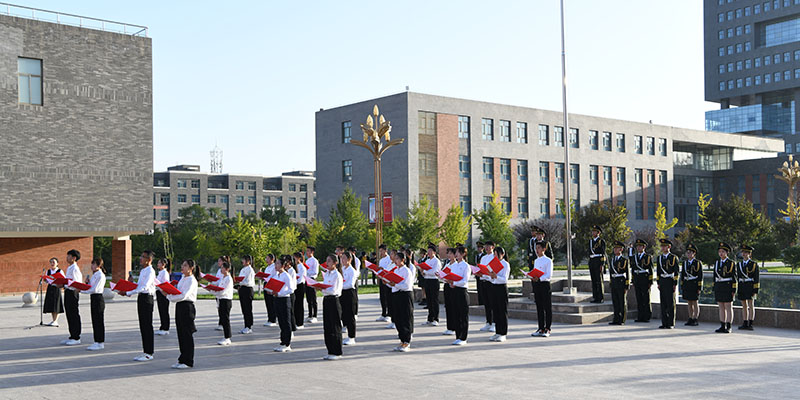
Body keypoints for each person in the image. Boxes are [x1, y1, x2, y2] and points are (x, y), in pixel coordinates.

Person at [122, 250, 156, 361]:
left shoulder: (150, 271)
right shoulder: (143, 271)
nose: (140, 258)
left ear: (149, 260)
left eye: (143, 257)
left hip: (147, 299)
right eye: (141, 256)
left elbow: (144, 287)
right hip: (141, 298)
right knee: (143, 325)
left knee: (147, 325)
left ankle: (149, 353)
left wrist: (128, 292)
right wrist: (131, 284)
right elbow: (139, 286)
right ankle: (145, 351)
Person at [166, 259, 199, 369]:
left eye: (185, 265)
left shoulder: (192, 280)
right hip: (179, 306)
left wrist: (169, 297)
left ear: (191, 268)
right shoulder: (183, 278)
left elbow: (184, 295)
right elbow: (178, 292)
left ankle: (188, 361)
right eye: (182, 265)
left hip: (187, 307)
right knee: (181, 333)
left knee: (187, 334)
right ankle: (182, 359)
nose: (182, 267)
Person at [316, 255, 343, 360]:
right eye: (326, 261)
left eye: (329, 261)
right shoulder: (326, 274)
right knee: (327, 326)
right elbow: (326, 288)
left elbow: (334, 290)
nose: (327, 263)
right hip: (326, 300)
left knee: (335, 326)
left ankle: (337, 351)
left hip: (334, 300)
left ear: (335, 263)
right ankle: (330, 350)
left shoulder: (337, 275)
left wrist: (322, 289)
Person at [387, 251, 414, 352]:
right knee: (397, 318)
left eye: (397, 259)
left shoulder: (406, 271)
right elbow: (392, 284)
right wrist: (387, 281)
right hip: (396, 295)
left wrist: (395, 284)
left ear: (403, 260)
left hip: (405, 295)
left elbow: (406, 285)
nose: (395, 261)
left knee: (405, 318)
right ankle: (402, 340)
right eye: (395, 259)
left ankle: (407, 341)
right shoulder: (396, 270)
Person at [269, 255, 297, 352]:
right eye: (275, 263)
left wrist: (280, 293)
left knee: (286, 321)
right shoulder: (276, 275)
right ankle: (282, 342)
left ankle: (287, 343)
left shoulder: (286, 275)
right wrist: (270, 290)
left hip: (284, 300)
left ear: (283, 265)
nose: (275, 265)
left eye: (277, 263)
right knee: (281, 321)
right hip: (277, 299)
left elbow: (291, 289)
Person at [446, 246, 471, 345]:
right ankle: (458, 336)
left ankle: (463, 338)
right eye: (456, 252)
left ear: (463, 254)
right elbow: (451, 277)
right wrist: (449, 281)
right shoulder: (454, 265)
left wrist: (455, 283)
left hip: (462, 291)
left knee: (463, 315)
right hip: (454, 291)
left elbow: (465, 280)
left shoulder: (466, 266)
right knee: (456, 314)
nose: (456, 254)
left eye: (458, 252)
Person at [82, 258, 107, 351]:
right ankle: (96, 341)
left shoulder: (100, 275)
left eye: (94, 264)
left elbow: (95, 289)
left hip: (98, 298)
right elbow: (91, 287)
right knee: (95, 320)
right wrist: (87, 283)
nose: (92, 266)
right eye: (92, 264)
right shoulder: (94, 275)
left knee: (99, 320)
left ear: (99, 266)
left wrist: (82, 291)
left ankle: (100, 342)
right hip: (93, 298)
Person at [530, 242, 553, 337]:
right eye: (536, 248)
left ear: (544, 249)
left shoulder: (548, 260)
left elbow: (549, 275)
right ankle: (541, 328)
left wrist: (540, 278)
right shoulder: (536, 261)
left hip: (545, 284)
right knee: (539, 307)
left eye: (539, 248)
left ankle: (547, 328)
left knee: (547, 307)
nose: (537, 250)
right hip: (537, 285)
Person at [656, 238, 679, 329]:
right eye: (662, 246)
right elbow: (658, 271)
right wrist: (658, 282)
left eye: (664, 246)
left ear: (669, 247)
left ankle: (671, 323)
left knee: (670, 303)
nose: (663, 248)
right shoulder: (659, 258)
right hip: (662, 281)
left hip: (670, 280)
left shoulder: (673, 258)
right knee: (663, 303)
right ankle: (664, 322)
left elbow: (676, 272)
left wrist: (675, 283)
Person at [61, 249, 83, 346]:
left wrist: (66, 284)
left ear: (74, 258)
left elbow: (77, 283)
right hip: (67, 291)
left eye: (69, 256)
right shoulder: (69, 267)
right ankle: (72, 335)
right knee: (69, 313)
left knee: (73, 313)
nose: (67, 258)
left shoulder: (75, 269)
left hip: (73, 292)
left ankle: (76, 337)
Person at [488, 246, 510, 342]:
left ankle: (503, 333)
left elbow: (504, 279)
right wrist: (491, 276)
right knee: (496, 311)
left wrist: (496, 276)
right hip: (494, 287)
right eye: (494, 255)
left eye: (497, 254)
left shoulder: (505, 264)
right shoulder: (493, 264)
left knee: (502, 311)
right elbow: (491, 278)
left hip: (501, 288)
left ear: (502, 254)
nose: (495, 256)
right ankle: (497, 332)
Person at [714, 242, 736, 333]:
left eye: (723, 251)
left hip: (727, 286)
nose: (721, 253)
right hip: (719, 286)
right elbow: (714, 276)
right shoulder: (717, 263)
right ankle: (722, 325)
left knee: (728, 306)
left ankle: (729, 325)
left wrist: (734, 289)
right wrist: (714, 287)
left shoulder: (731, 263)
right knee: (721, 306)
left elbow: (734, 277)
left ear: (727, 252)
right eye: (719, 251)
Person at [737, 244, 759, 331]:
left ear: (750, 254)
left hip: (750, 285)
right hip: (742, 285)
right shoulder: (739, 264)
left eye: (746, 252)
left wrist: (755, 289)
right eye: (743, 252)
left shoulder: (753, 264)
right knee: (744, 305)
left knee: (751, 305)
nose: (744, 254)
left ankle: (750, 322)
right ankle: (745, 322)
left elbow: (756, 278)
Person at [631, 239, 654, 322]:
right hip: (637, 279)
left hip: (644, 279)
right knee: (639, 298)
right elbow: (633, 269)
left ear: (644, 247)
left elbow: (651, 269)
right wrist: (633, 280)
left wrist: (650, 281)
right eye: (637, 246)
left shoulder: (648, 257)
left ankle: (647, 316)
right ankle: (640, 316)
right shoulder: (634, 257)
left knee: (645, 298)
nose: (638, 248)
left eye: (640, 246)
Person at [680, 244, 703, 326]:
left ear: (694, 253)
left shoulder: (697, 263)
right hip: (687, 284)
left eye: (690, 252)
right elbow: (682, 275)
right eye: (687, 252)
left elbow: (700, 276)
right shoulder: (685, 263)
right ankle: (690, 317)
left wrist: (699, 287)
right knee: (689, 302)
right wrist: (682, 285)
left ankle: (695, 318)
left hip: (694, 284)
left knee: (695, 302)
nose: (688, 254)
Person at [608, 241, 629, 325]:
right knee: (615, 301)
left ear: (621, 249)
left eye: (617, 248)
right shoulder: (612, 260)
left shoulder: (624, 260)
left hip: (621, 281)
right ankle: (616, 318)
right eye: (614, 248)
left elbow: (627, 274)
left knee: (621, 301)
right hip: (614, 281)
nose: (615, 250)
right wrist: (610, 282)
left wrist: (626, 285)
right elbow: (610, 273)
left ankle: (622, 319)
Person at [420, 243, 442, 326]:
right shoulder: (427, 261)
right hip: (427, 281)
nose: (428, 252)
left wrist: (425, 272)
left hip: (434, 281)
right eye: (428, 250)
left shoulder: (437, 261)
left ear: (434, 252)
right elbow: (425, 272)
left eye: (430, 251)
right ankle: (430, 318)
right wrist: (423, 272)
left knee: (434, 300)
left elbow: (435, 272)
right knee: (429, 300)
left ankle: (436, 318)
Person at [340, 252, 358, 345]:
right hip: (342, 293)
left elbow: (350, 284)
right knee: (344, 314)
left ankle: (352, 337)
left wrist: (340, 286)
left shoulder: (352, 271)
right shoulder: (342, 269)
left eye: (344, 258)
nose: (342, 260)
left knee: (350, 316)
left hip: (349, 293)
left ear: (349, 259)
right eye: (341, 258)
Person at [478, 241, 496, 333]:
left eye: (489, 246)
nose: (487, 248)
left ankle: (494, 323)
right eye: (486, 246)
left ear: (493, 247)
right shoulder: (483, 258)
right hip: (483, 281)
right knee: (486, 303)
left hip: (491, 282)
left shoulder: (494, 257)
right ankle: (488, 322)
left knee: (492, 303)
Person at [215, 262, 234, 346]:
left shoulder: (229, 279)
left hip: (226, 300)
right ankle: (226, 336)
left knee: (225, 319)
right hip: (221, 299)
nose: (221, 269)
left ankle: (227, 337)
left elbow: (224, 291)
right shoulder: (223, 278)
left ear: (227, 269)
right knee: (222, 318)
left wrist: (215, 292)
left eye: (222, 268)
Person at [43, 257, 64, 327]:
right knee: (52, 305)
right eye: (51, 262)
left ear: (57, 263)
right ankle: (53, 320)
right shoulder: (48, 271)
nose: (52, 264)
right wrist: (45, 280)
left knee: (56, 305)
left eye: (53, 262)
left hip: (57, 288)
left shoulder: (60, 271)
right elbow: (47, 280)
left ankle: (56, 321)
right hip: (50, 288)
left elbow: (64, 279)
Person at [441, 247, 457, 336]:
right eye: (448, 253)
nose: (448, 255)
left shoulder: (456, 265)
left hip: (453, 286)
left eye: (450, 253)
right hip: (446, 285)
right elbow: (443, 274)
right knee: (448, 306)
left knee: (453, 306)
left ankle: (454, 327)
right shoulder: (447, 264)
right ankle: (449, 327)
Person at [588, 225, 607, 304]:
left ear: (598, 233)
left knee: (599, 280)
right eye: (593, 231)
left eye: (595, 231)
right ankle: (595, 297)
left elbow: (603, 253)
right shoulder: (590, 241)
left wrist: (602, 264)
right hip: (592, 261)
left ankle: (600, 297)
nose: (593, 233)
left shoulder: (601, 241)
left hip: (598, 260)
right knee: (594, 280)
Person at [238, 255, 256, 334]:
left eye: (244, 260)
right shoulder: (243, 269)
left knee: (248, 308)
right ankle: (246, 325)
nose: (242, 261)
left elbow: (248, 281)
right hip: (242, 289)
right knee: (244, 309)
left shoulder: (250, 270)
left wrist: (241, 282)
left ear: (248, 261)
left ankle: (249, 326)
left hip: (247, 289)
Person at [154, 258, 171, 336]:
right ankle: (162, 327)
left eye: (159, 263)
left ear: (163, 264)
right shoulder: (160, 273)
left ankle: (166, 328)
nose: (158, 264)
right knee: (161, 311)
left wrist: (158, 285)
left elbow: (165, 284)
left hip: (163, 293)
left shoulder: (164, 273)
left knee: (164, 311)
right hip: (159, 292)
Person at [376, 244, 392, 323]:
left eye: (382, 251)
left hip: (387, 281)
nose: (381, 253)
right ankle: (383, 313)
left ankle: (389, 314)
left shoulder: (389, 259)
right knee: (382, 297)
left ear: (386, 250)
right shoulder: (381, 260)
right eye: (380, 251)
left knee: (387, 297)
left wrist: (383, 269)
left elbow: (389, 270)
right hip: (382, 279)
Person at [214, 255, 230, 332]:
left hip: (224, 297)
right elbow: (217, 281)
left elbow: (224, 289)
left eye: (220, 261)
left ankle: (227, 335)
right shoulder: (220, 273)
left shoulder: (227, 277)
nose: (218, 262)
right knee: (220, 310)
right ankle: (221, 323)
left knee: (225, 315)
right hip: (219, 294)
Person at [304, 246, 320, 323]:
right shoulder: (307, 261)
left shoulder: (315, 261)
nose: (307, 253)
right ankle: (310, 314)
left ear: (312, 252)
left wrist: (307, 272)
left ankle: (315, 316)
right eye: (306, 251)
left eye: (308, 251)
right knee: (308, 298)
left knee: (313, 298)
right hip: (307, 279)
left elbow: (315, 272)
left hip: (312, 279)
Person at [262, 254, 278, 327]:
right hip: (266, 283)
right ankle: (269, 318)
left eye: (268, 258)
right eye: (266, 258)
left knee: (271, 302)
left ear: (272, 259)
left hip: (271, 284)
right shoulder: (267, 267)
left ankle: (273, 319)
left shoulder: (274, 267)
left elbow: (274, 276)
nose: (266, 260)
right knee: (267, 302)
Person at [292, 252, 306, 330]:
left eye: (295, 258)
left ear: (299, 258)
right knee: (295, 305)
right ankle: (295, 321)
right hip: (295, 286)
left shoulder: (302, 267)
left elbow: (300, 279)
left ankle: (300, 323)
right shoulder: (295, 267)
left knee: (299, 304)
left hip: (300, 286)